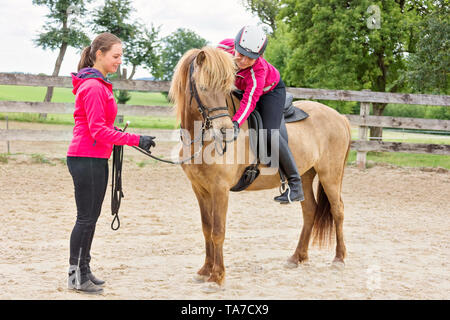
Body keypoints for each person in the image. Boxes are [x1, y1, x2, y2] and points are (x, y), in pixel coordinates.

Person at [66, 32, 156, 294]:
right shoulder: (94, 87)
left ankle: (83, 270)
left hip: (93, 156)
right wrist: (135, 138)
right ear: (99, 55)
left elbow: (102, 127)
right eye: (115, 56)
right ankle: (76, 274)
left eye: (120, 56)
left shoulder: (99, 84)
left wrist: (120, 134)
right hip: (87, 156)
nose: (119, 61)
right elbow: (97, 130)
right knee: (85, 219)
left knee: (90, 218)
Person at [217, 25, 304, 204]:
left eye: (250, 58)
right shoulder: (222, 50)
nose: (242, 61)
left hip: (269, 92)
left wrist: (235, 123)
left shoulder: (259, 71)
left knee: (270, 133)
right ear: (234, 46)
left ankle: (295, 185)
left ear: (260, 56)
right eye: (240, 54)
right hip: (238, 90)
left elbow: (249, 101)